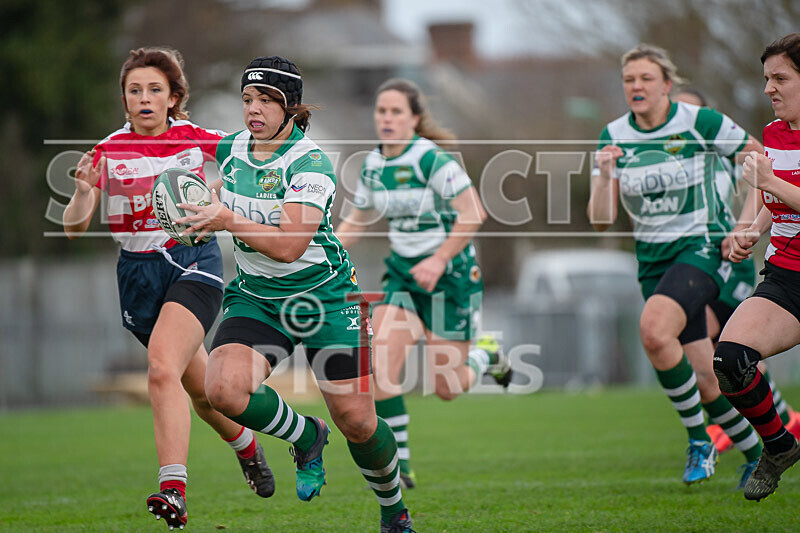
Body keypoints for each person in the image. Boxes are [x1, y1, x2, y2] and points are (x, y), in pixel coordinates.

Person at [174, 56, 413, 532]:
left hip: (326, 298)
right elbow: (213, 179)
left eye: (266, 100)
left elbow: (289, 245)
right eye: (247, 99)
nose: (253, 109)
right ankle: (307, 435)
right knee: (220, 389)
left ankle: (395, 512)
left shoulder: (311, 164)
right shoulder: (232, 149)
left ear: (291, 107)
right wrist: (198, 216)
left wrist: (224, 220)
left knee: (359, 422)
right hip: (258, 298)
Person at [62, 48, 274, 530]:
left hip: (193, 262)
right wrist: (80, 193)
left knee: (160, 369)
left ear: (173, 97)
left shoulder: (196, 139)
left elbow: (252, 160)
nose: (144, 98)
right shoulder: (107, 151)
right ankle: (247, 445)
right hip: (137, 278)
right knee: (201, 392)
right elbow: (73, 228)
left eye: (155, 89)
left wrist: (226, 196)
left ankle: (173, 489)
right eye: (134, 90)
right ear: (124, 99)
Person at [587, 44, 766, 488]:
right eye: (629, 80)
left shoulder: (700, 123)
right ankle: (761, 451)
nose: (636, 87)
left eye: (646, 78)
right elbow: (600, 219)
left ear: (667, 84)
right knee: (707, 380)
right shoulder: (613, 136)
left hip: (701, 248)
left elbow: (761, 162)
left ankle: (699, 441)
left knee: (652, 330)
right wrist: (605, 174)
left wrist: (743, 228)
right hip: (652, 261)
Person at [335, 78, 511, 489]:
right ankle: (402, 466)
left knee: (448, 387)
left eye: (396, 112)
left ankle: (487, 353)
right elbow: (358, 221)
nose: (387, 119)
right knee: (380, 366)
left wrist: (438, 258)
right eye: (382, 111)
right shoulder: (374, 164)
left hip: (449, 277)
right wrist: (318, 251)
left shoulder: (432, 160)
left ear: (414, 119)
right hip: (402, 275)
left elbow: (474, 214)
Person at [673, 87, 800, 456]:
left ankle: (722, 427)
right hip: (719, 262)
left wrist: (742, 226)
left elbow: (760, 185)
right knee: (725, 353)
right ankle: (769, 428)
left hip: (724, 264)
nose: (768, 87)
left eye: (691, 114)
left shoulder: (722, 150)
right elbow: (767, 189)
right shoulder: (664, 158)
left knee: (700, 340)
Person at [714, 32, 800, 501]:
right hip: (788, 278)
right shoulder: (774, 134)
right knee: (731, 361)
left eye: (780, 78)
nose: (768, 88)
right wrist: (753, 228)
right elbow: (779, 198)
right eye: (766, 78)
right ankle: (780, 445)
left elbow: (778, 185)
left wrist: (768, 181)